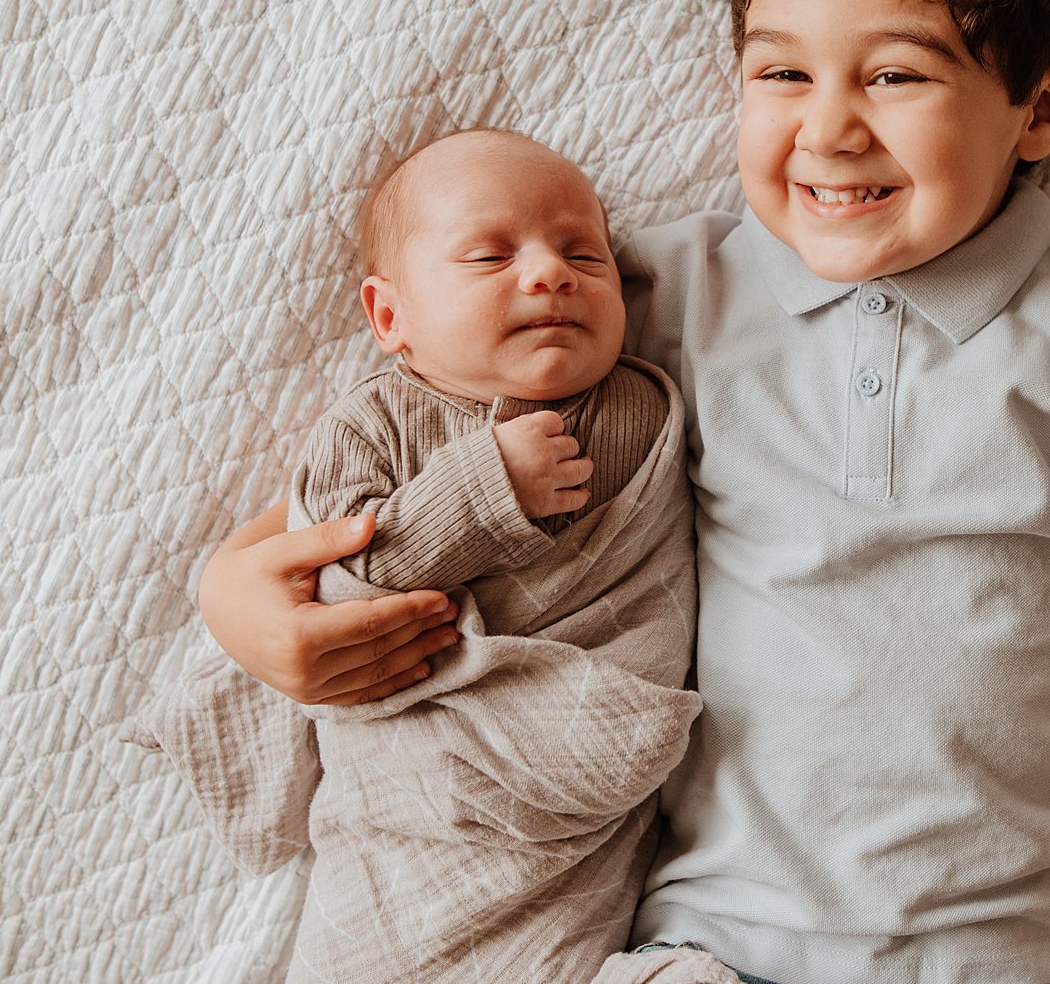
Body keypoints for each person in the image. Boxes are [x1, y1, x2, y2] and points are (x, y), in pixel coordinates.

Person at [197, 0, 1050, 984]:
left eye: (896, 76)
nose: (828, 130)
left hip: (994, 955)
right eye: (780, 74)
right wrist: (236, 590)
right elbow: (418, 449)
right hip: (707, 949)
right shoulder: (665, 292)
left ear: (1043, 105)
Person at [129, 130, 702, 984]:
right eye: (488, 255)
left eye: (586, 252)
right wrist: (479, 491)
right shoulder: (371, 425)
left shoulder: (636, 406)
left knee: (557, 950)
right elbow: (340, 573)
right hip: (412, 794)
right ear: (390, 316)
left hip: (566, 800)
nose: (551, 272)